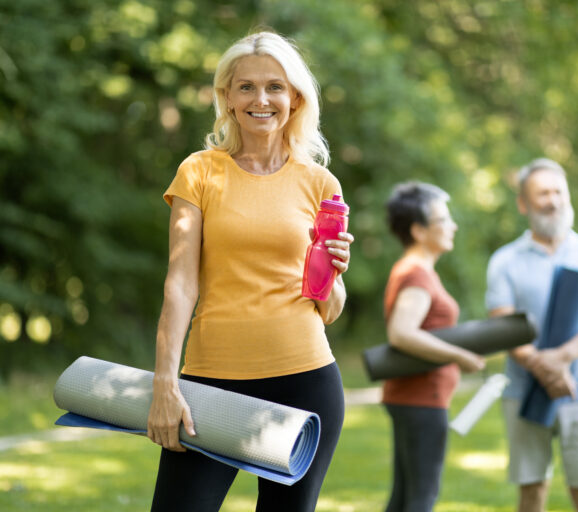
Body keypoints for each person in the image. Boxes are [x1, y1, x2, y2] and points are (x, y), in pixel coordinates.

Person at [146, 31, 354, 512]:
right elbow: (180, 284)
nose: (261, 99)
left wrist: (334, 275)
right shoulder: (199, 172)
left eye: (275, 87)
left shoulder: (320, 182)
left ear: (295, 98)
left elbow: (328, 308)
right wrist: (165, 382)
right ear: (227, 97)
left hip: (307, 381)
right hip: (210, 382)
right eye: (246, 87)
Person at [485, 158, 578, 512]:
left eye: (559, 191)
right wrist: (542, 368)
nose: (553, 200)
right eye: (542, 193)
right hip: (523, 392)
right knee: (532, 491)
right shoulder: (505, 260)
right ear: (523, 204)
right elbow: (504, 325)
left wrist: (559, 360)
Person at [381, 182, 485, 512]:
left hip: (415, 398)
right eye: (443, 219)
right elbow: (401, 333)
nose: (452, 225)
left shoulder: (416, 271)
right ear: (418, 230)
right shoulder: (416, 275)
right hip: (422, 399)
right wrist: (459, 356)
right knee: (421, 497)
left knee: (403, 498)